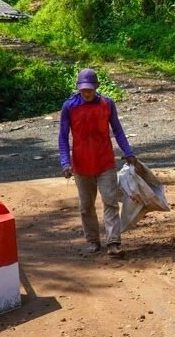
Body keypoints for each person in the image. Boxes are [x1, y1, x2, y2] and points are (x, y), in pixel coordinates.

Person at [58, 68, 137, 257]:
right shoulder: (69, 106)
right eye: (83, 89)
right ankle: (93, 240)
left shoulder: (107, 104)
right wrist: (65, 162)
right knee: (86, 206)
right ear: (78, 88)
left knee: (110, 201)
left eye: (90, 89)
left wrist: (128, 152)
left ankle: (113, 242)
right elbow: (62, 136)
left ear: (97, 87)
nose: (87, 93)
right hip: (81, 165)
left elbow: (117, 130)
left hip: (105, 162)